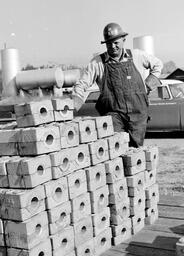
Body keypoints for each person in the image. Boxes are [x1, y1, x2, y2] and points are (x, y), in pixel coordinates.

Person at [72, 22, 163, 147]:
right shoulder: (97, 63)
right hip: (113, 114)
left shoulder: (137, 56)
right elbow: (82, 84)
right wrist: (74, 103)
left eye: (116, 43)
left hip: (138, 113)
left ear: (123, 40)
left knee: (135, 151)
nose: (113, 46)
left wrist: (148, 85)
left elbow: (158, 64)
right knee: (116, 148)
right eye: (109, 43)